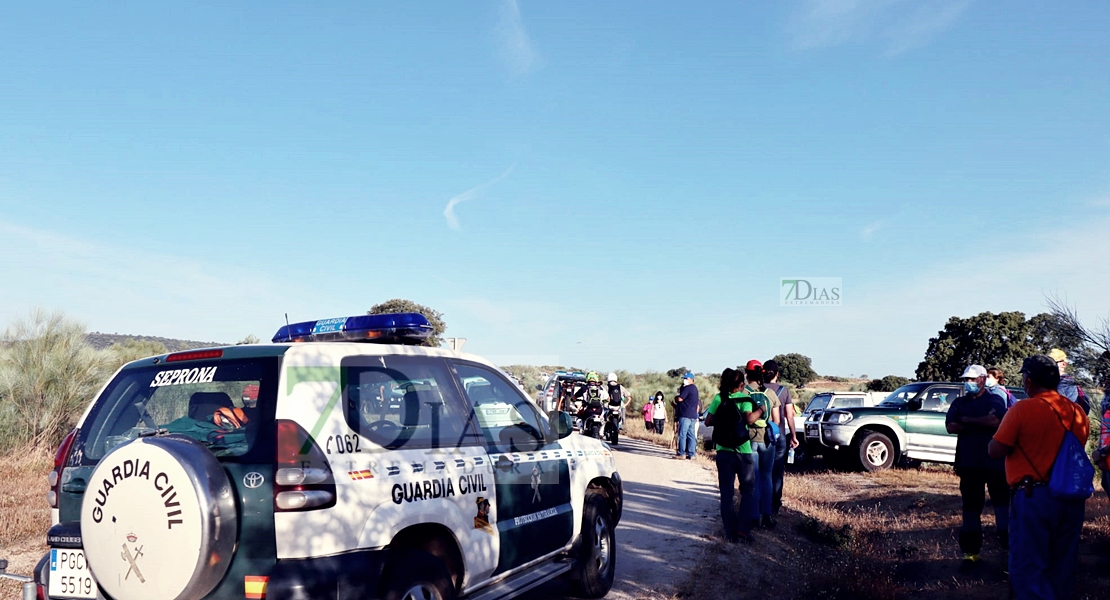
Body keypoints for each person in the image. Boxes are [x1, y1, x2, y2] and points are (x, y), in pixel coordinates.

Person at [989, 355, 1089, 600]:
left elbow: (996, 449)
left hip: (1034, 496)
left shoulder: (1022, 409)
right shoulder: (1076, 411)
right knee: (1063, 564)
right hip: (1071, 497)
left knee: (1028, 566)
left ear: (1029, 381)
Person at [945, 364, 1009, 571]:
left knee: (1003, 509)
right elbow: (950, 426)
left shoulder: (996, 399)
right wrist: (978, 423)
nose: (969, 383)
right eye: (966, 380)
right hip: (969, 464)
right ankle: (970, 555)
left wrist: (965, 421)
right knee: (971, 510)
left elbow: (995, 421)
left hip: (996, 464)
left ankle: (1009, 554)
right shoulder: (959, 402)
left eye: (973, 379)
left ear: (983, 379)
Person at [704, 367, 758, 543]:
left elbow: (708, 420)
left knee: (726, 493)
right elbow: (749, 419)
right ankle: (743, 530)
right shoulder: (745, 399)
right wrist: (762, 410)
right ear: (742, 384)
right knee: (747, 491)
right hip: (742, 451)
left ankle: (729, 532)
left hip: (723, 451)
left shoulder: (719, 398)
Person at [743, 360, 781, 528]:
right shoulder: (770, 394)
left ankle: (753, 515)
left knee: (753, 478)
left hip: (750, 439)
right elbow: (777, 420)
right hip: (767, 440)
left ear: (746, 373)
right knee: (766, 477)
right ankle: (767, 515)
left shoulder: (743, 392)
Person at [762, 359, 798, 515]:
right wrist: (794, 436)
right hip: (779, 435)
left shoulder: (759, 389)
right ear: (777, 374)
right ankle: (774, 505)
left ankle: (761, 504)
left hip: (761, 435)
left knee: (762, 471)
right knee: (777, 472)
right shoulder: (784, 391)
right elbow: (789, 416)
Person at [1048, 348, 1091, 415]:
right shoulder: (1052, 381)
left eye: (1053, 363)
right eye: (1047, 363)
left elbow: (1070, 410)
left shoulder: (1067, 384)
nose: (1048, 366)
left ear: (1063, 364)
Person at [673, 372, 700, 460]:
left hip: (685, 414)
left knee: (682, 434)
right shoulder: (695, 389)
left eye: (686, 379)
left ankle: (681, 453)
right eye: (684, 378)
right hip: (692, 415)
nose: (684, 380)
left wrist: (676, 398)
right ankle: (692, 454)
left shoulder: (688, 388)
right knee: (691, 435)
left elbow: (680, 398)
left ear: (691, 380)